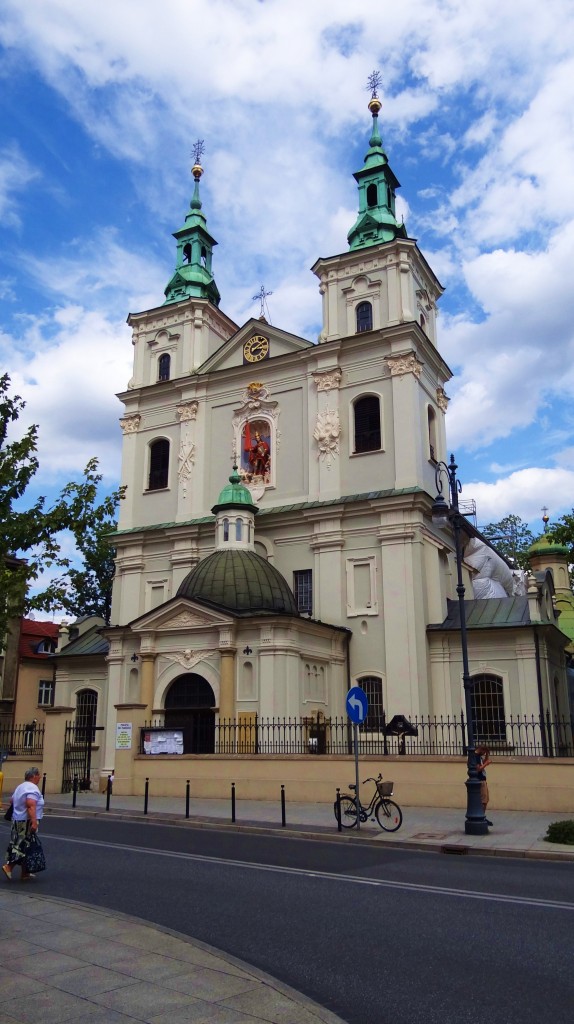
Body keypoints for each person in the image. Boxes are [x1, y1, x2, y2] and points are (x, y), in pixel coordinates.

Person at [2, 766, 45, 881]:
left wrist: (19, 806)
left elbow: (12, 800)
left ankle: (25, 873)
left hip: (17, 819)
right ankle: (9, 867)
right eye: (38, 775)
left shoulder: (20, 786)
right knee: (22, 845)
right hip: (26, 821)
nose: (40, 777)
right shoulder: (32, 788)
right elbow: (30, 804)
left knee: (24, 844)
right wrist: (34, 822)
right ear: (33, 776)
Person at [475, 745, 493, 826]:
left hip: (483, 780)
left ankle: (482, 816)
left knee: (485, 800)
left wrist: (487, 755)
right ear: (481, 750)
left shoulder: (479, 756)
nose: (484, 754)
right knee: (484, 800)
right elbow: (478, 769)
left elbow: (483, 762)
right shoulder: (476, 757)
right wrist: (486, 763)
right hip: (481, 780)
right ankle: (481, 817)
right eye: (484, 752)